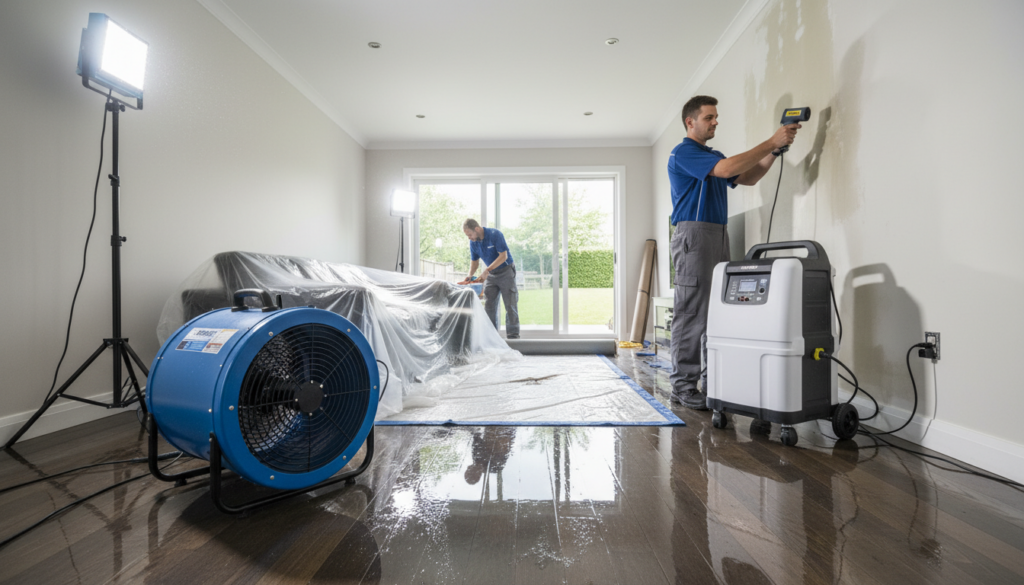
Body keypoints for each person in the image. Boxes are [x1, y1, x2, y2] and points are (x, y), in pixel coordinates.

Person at [668, 95, 801, 409]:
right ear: (691, 122)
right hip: (694, 235)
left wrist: (774, 151)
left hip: (718, 233)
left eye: (716, 117)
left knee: (717, 313)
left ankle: (713, 383)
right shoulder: (684, 152)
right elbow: (727, 168)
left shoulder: (713, 156)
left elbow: (748, 176)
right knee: (692, 313)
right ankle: (683, 387)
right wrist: (770, 140)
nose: (715, 122)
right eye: (709, 117)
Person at [457, 218, 520, 339]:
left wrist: (487, 271)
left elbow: (503, 256)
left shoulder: (495, 234)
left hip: (506, 271)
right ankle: (492, 338)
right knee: (489, 305)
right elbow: (474, 262)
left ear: (476, 229)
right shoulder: (473, 242)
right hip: (491, 274)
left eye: (469, 234)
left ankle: (513, 336)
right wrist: (469, 276)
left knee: (510, 304)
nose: (469, 237)